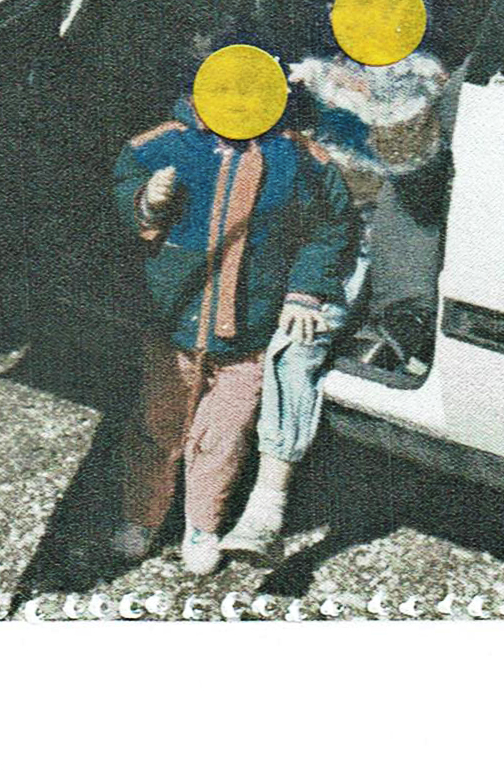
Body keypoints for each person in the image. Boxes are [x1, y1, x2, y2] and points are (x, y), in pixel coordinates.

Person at [221, 0, 455, 560]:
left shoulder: (420, 79)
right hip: (297, 220)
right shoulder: (323, 63)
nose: (347, 19)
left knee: (294, 350)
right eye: (339, 4)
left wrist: (326, 83)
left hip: (354, 231)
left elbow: (407, 154)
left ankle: (266, 506)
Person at [108, 62, 355, 575]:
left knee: (224, 436)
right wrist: (146, 201)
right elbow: (123, 181)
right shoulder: (167, 143)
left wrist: (306, 291)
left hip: (248, 333)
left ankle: (203, 525)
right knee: (158, 424)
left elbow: (331, 225)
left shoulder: (300, 160)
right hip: (172, 326)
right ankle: (142, 515)